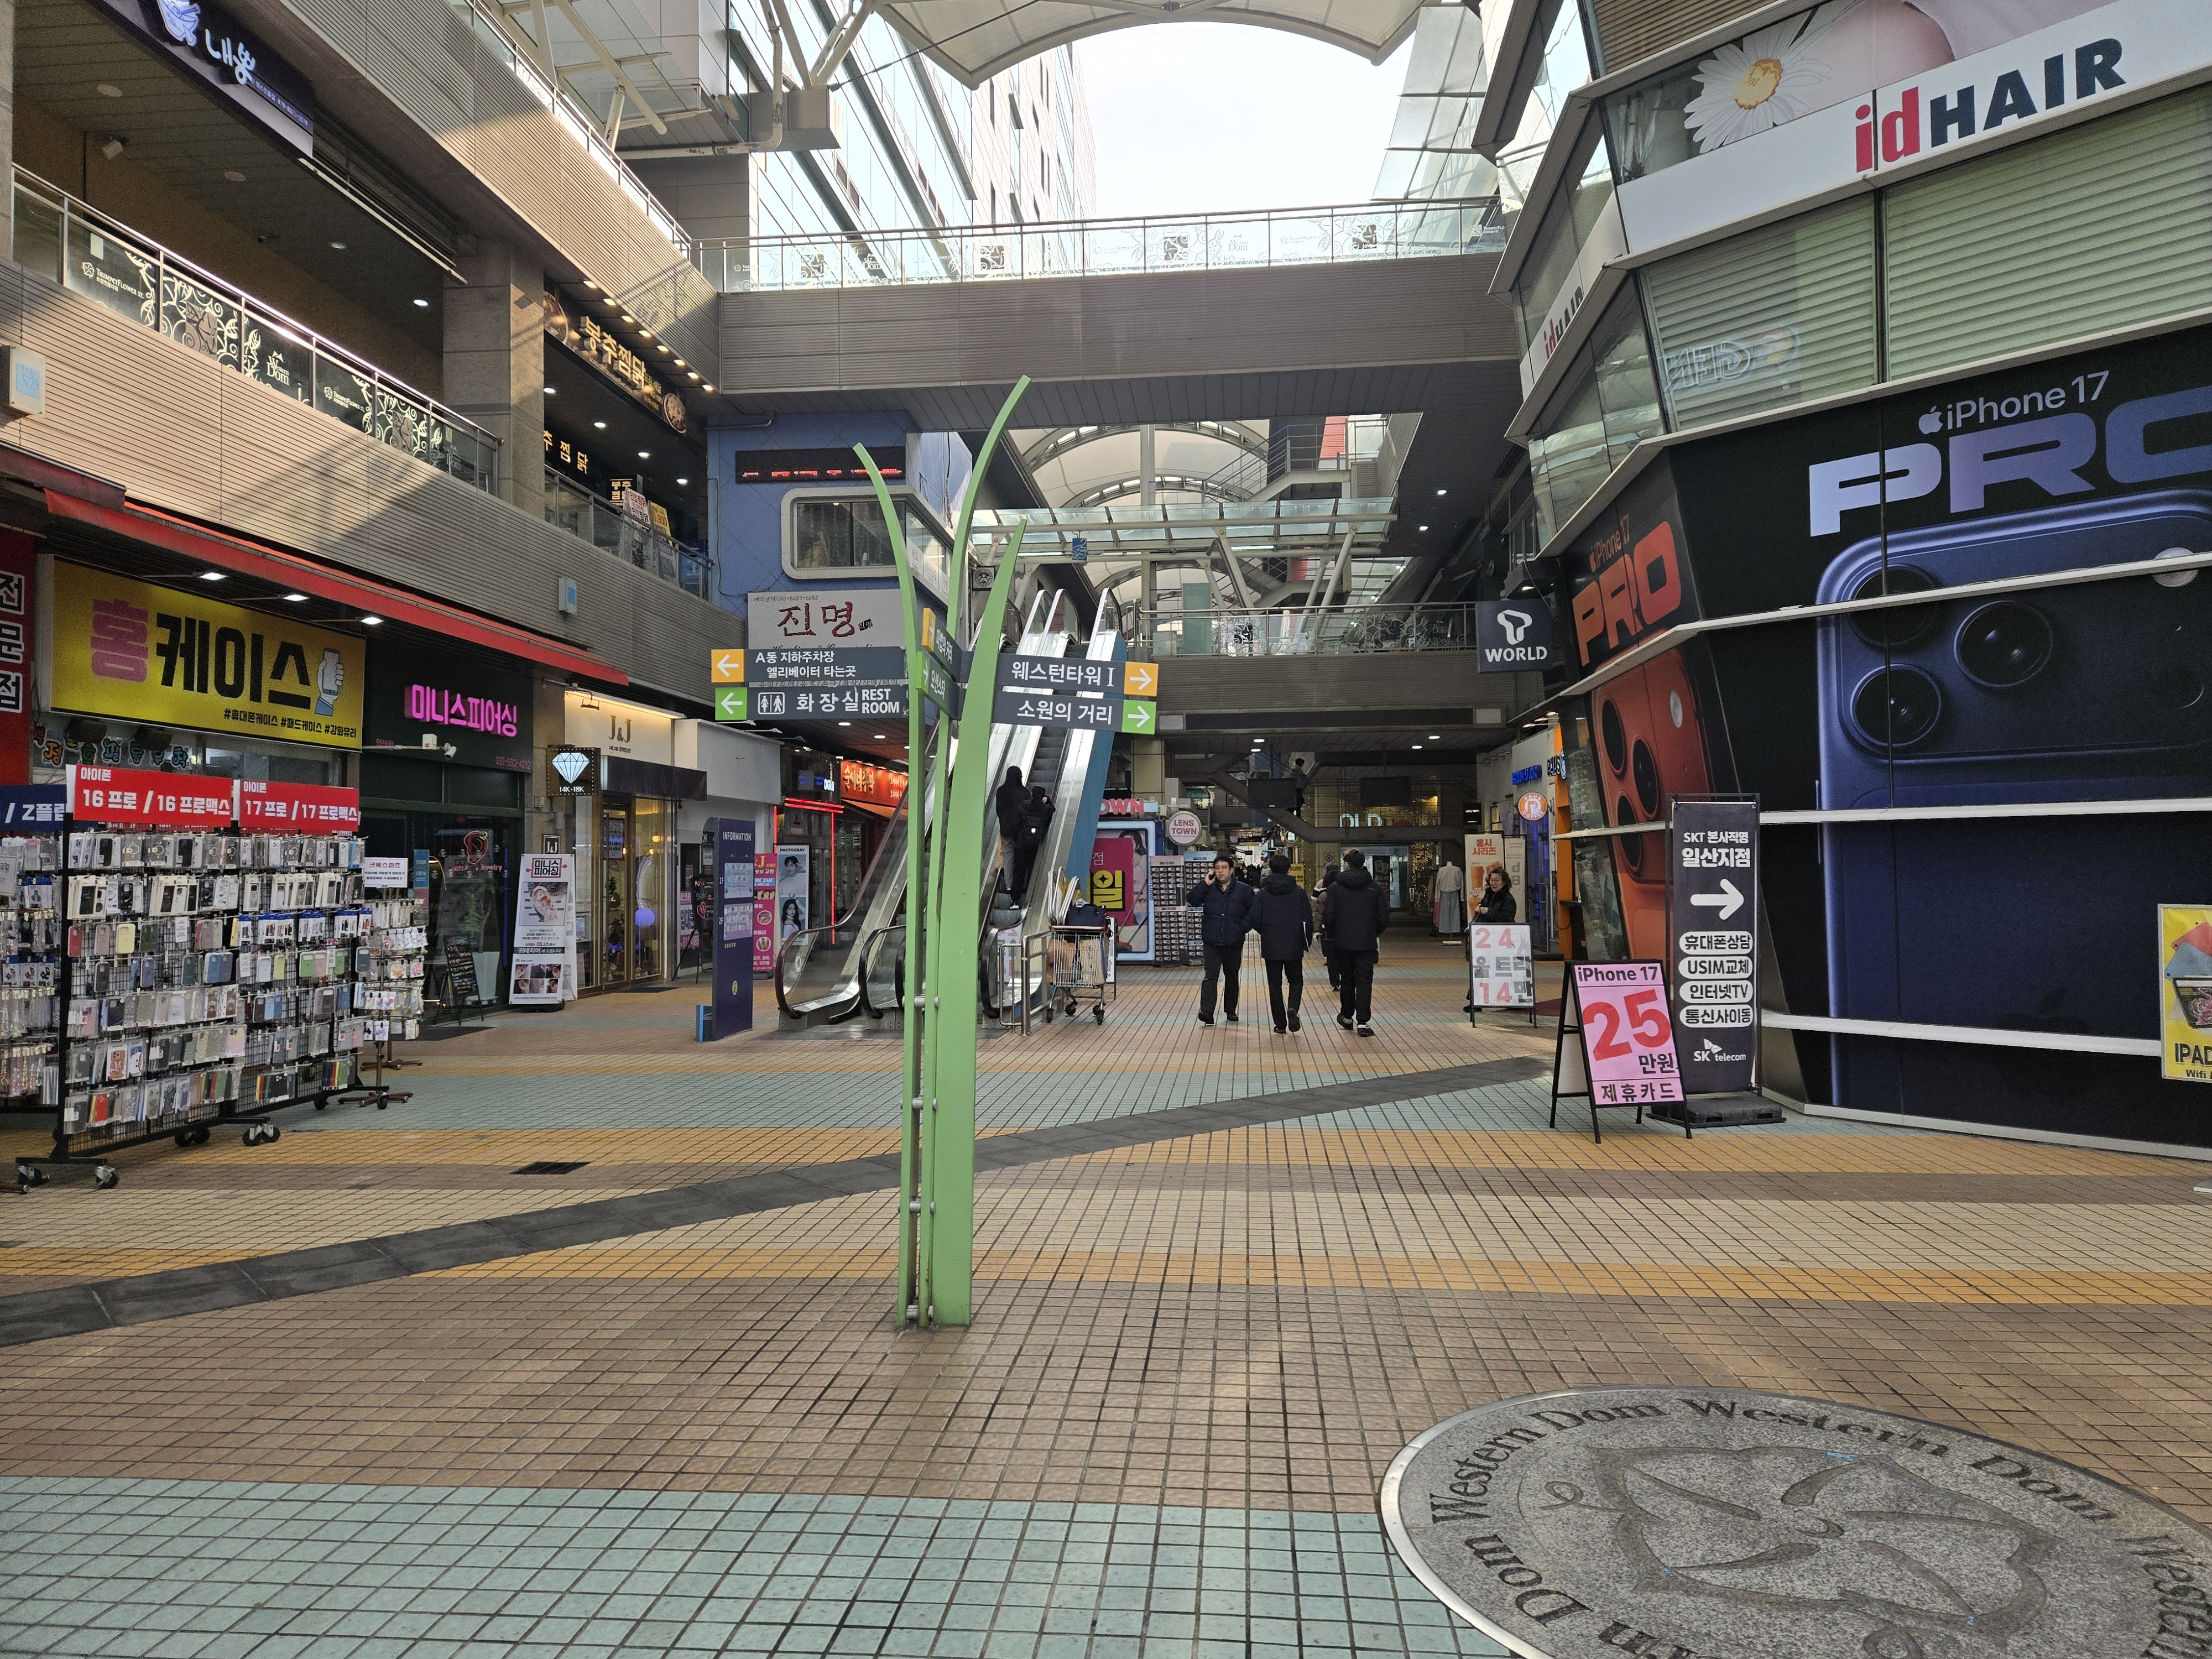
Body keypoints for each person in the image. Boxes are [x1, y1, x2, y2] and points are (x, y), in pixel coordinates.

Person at [1321, 848, 1389, 1037]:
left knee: (1347, 980)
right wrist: (1372, 932)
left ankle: (1347, 1016)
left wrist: (1333, 934)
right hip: (1366, 943)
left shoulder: (1335, 888)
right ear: (1363, 863)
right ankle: (1363, 1022)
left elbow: (1328, 915)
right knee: (1364, 981)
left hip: (1342, 942)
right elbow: (1383, 917)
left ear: (1347, 864)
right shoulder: (1374, 888)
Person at [1185, 853, 1255, 1025]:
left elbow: (1253, 913)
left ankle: (1230, 1010)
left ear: (1231, 870)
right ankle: (1207, 1011)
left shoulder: (1244, 890)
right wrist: (1204, 884)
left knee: (1232, 976)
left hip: (1234, 941)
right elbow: (1192, 900)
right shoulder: (1208, 888)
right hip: (1212, 941)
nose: (1220, 871)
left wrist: (1241, 928)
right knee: (1211, 976)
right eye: (1217, 868)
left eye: (1224, 868)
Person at [1251, 852, 1313, 1034]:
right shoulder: (1299, 892)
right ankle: (1293, 1007)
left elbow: (1255, 918)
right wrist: (1305, 941)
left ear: (1270, 869)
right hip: (1294, 943)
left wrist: (1266, 932)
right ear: (1289, 870)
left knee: (1275, 984)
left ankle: (1280, 1024)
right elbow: (1307, 918)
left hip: (1271, 944)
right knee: (1296, 980)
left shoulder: (1263, 894)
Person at [1466, 869, 1515, 1013]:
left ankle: (1513, 999)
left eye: (1497, 880)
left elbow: (1507, 918)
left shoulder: (1508, 899)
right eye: (1492, 880)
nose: (1494, 883)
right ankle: (1476, 1001)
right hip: (1485, 942)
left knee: (1503, 973)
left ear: (1504, 882)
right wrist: (1479, 910)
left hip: (1501, 942)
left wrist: (1489, 912)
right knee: (1480, 970)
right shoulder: (1488, 895)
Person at [1010, 785, 1054, 899]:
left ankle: (1015, 899)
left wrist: (1017, 839)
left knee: (1019, 872)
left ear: (1032, 795)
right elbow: (1053, 809)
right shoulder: (1046, 809)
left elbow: (1015, 825)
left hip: (1021, 845)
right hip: (1036, 846)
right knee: (1033, 872)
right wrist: (1048, 800)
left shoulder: (1022, 807)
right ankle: (1030, 898)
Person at [995, 766, 1028, 895]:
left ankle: (1009, 886)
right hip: (1020, 831)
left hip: (1006, 830)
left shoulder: (1001, 791)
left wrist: (1003, 824)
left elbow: (999, 811)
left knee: (1008, 858)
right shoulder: (1024, 792)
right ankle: (1020, 885)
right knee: (1021, 859)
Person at [1316, 862, 1342, 990]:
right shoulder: (1346, 894)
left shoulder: (1324, 895)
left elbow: (1319, 915)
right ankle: (1345, 979)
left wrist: (1317, 930)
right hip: (1344, 930)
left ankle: (1335, 982)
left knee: (1332, 958)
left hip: (1328, 931)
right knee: (1344, 956)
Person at [1433, 859, 1465, 937]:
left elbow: (1438, 884)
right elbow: (1462, 883)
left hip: (1445, 892)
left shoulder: (1442, 870)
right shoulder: (1457, 870)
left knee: (1445, 912)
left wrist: (1437, 897)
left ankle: (1445, 929)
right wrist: (1462, 897)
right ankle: (1455, 929)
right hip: (1454, 892)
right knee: (1455, 912)